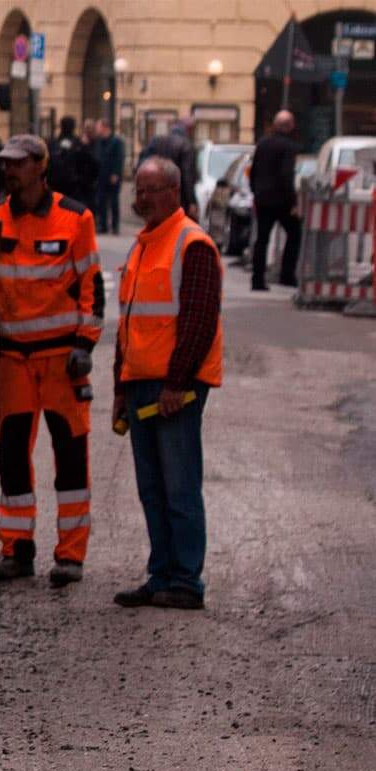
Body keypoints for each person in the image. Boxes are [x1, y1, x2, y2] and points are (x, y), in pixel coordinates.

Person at [0, 135, 103, 587]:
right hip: (14, 359)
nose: (9, 171)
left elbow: (92, 287)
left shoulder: (75, 218)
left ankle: (70, 556)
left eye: (19, 164)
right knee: (11, 454)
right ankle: (17, 550)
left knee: (69, 454)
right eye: (5, 163)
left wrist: (86, 342)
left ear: (40, 168)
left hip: (62, 357)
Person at [112, 158, 221, 610]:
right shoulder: (143, 245)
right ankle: (161, 575)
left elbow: (197, 321)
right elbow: (130, 322)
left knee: (179, 487)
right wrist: (120, 385)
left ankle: (185, 581)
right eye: (138, 190)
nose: (141, 199)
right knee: (152, 488)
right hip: (141, 382)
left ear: (174, 192)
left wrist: (176, 384)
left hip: (174, 387)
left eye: (151, 190)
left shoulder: (191, 243)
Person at [250, 109, 303, 291]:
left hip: (263, 199)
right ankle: (287, 275)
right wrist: (294, 201)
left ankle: (257, 279)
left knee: (261, 239)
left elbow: (254, 170)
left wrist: (255, 193)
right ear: (289, 126)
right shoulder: (289, 146)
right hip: (282, 200)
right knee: (295, 234)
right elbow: (287, 175)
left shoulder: (262, 144)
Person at [139, 118, 199, 219]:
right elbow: (187, 175)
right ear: (189, 129)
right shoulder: (186, 145)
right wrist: (192, 201)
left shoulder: (156, 141)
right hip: (178, 196)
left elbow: (142, 164)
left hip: (156, 193)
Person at [49, 116, 99, 206]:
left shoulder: (53, 143)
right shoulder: (79, 144)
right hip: (75, 188)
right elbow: (91, 166)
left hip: (57, 187)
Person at [92, 119, 126, 234]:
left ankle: (115, 226)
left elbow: (119, 158)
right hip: (101, 176)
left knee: (113, 201)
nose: (97, 129)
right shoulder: (99, 142)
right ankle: (103, 225)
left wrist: (116, 173)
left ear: (105, 128)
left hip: (112, 176)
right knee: (101, 201)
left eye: (98, 127)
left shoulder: (117, 142)